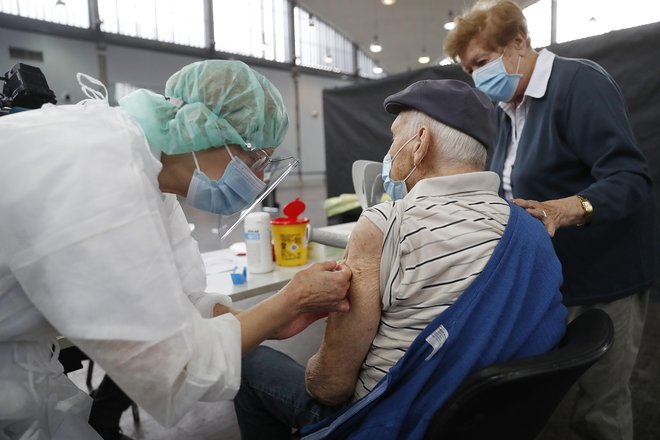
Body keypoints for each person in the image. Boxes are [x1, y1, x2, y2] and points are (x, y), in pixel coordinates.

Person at [0, 59, 351, 440]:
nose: (259, 178)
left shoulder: (148, 172)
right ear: (204, 127)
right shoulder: (100, 169)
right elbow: (171, 367)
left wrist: (265, 318)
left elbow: (184, 296)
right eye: (254, 158)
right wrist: (288, 303)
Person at [232, 79, 567, 439]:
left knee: (250, 362)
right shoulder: (531, 230)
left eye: (395, 137)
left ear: (420, 143)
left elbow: (330, 386)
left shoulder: (384, 225)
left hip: (392, 419)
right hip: (485, 422)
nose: (390, 151)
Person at [443, 2, 658, 439]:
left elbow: (630, 179)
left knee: (601, 407)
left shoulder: (578, 84)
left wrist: (568, 208)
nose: (478, 77)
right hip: (552, 280)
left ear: (519, 42)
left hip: (604, 278)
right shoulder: (509, 110)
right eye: (469, 70)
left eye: (482, 62)